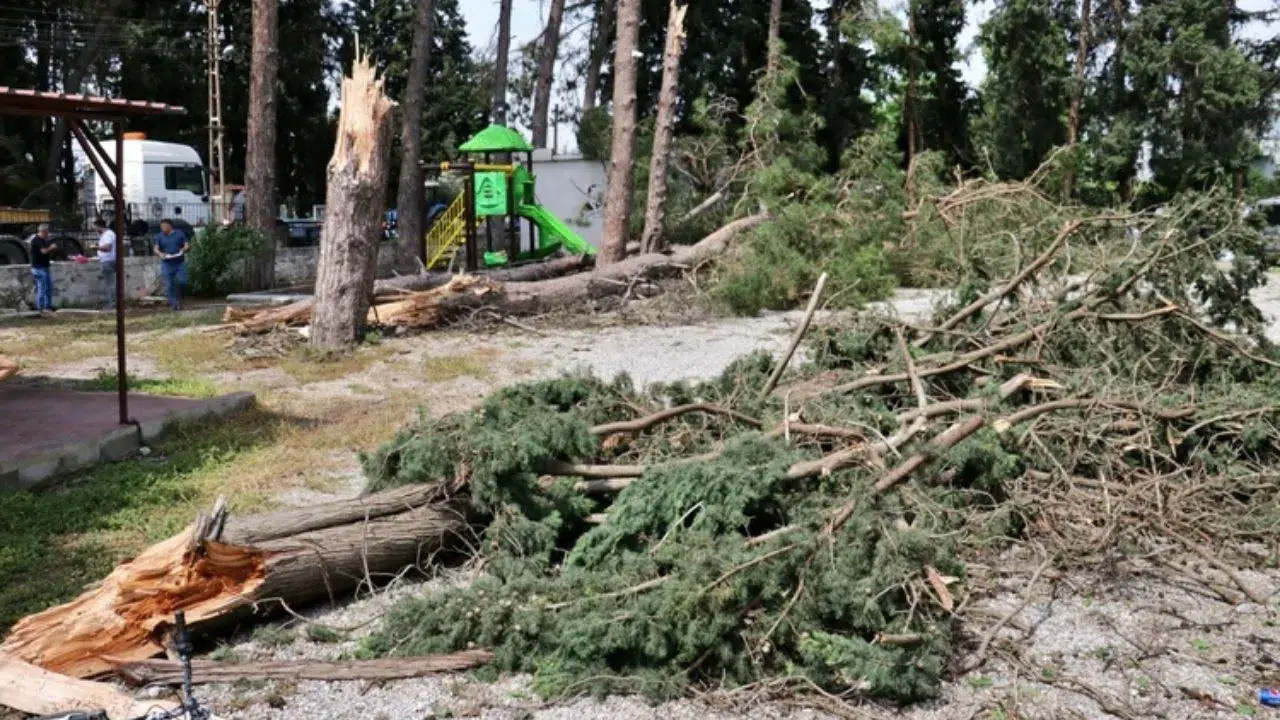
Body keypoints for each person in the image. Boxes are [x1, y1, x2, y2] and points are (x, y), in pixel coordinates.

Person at [154, 219, 190, 311]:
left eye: (164, 226)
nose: (162, 228)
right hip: (167, 263)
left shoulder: (179, 233)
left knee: (183, 282)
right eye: (161, 227)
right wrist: (160, 254)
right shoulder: (159, 236)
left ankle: (179, 296)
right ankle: (175, 304)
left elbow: (187, 245)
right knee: (169, 284)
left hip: (179, 262)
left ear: (170, 226)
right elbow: (156, 248)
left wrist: (183, 250)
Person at [28, 223, 57, 314]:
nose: (48, 234)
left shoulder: (44, 240)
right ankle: (41, 307)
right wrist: (51, 247)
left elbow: (47, 253)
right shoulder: (36, 240)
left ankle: (47, 306)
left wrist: (52, 249)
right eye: (47, 232)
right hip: (38, 267)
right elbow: (43, 251)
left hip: (44, 266)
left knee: (47, 287)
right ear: (44, 231)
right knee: (42, 287)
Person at [94, 218, 117, 309]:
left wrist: (96, 248)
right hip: (107, 260)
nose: (95, 230)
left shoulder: (108, 234)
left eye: (95, 228)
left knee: (109, 284)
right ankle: (111, 304)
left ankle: (111, 305)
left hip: (108, 261)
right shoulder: (106, 234)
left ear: (99, 226)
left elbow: (108, 248)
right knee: (109, 284)